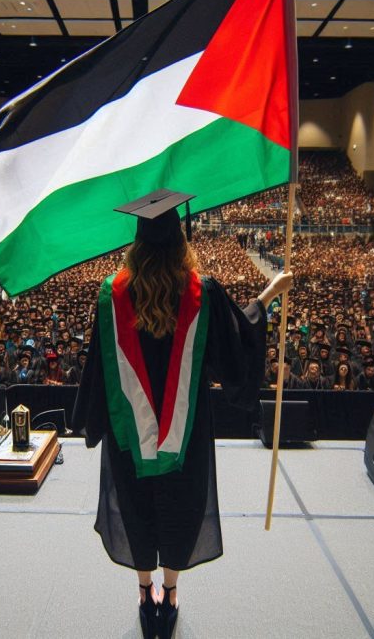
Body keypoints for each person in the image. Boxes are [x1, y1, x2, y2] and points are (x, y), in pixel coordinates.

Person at [72, 189, 293, 639]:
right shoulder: (202, 293)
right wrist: (269, 293)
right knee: (178, 508)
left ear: (136, 245)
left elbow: (97, 363)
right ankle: (170, 594)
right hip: (185, 435)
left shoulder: (110, 295)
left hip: (128, 435)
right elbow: (235, 345)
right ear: (180, 241)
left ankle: (144, 591)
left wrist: (91, 422)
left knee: (136, 507)